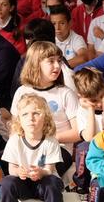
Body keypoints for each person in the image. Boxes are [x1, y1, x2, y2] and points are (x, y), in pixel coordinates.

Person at [10, 42, 80, 170]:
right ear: (36, 64)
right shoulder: (22, 91)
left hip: (58, 149)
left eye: (59, 61)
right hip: (27, 148)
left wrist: (46, 140)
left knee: (39, 169)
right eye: (51, 61)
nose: (57, 65)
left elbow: (77, 133)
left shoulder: (66, 93)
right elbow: (15, 129)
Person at [0, 93, 66, 202]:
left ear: (46, 118)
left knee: (52, 182)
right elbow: (11, 169)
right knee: (6, 182)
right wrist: (19, 172)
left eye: (36, 113)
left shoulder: (51, 141)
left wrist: (41, 172)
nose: (31, 118)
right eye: (25, 114)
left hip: (43, 184)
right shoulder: (14, 141)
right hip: (23, 184)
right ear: (19, 120)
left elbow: (49, 169)